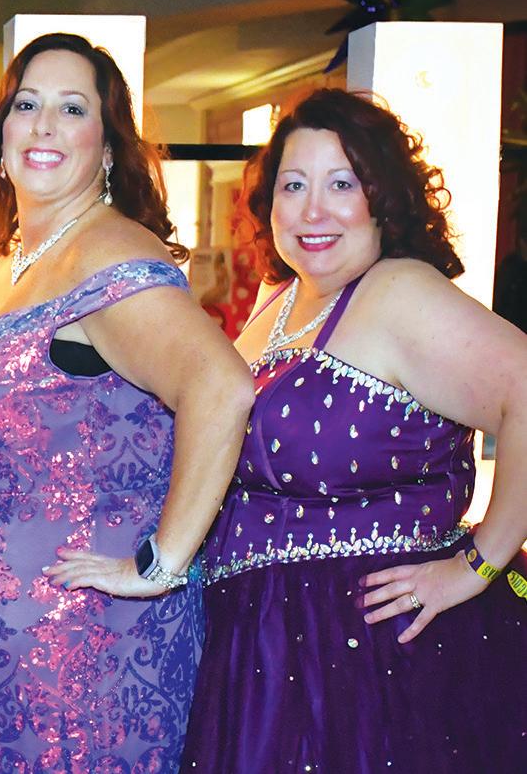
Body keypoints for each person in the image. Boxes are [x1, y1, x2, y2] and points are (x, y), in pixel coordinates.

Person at [0, 32, 253, 771]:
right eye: (26, 105)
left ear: (106, 147)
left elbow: (220, 386)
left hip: (80, 657)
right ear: (0, 132)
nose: (43, 125)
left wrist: (160, 564)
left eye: (72, 109)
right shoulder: (8, 267)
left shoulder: (110, 252)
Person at [181, 89, 527, 772]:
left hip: (367, 657)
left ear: (381, 196)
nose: (313, 209)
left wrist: (480, 562)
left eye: (341, 184)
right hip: (259, 646)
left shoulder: (395, 290)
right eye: (294, 185)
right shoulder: (280, 302)